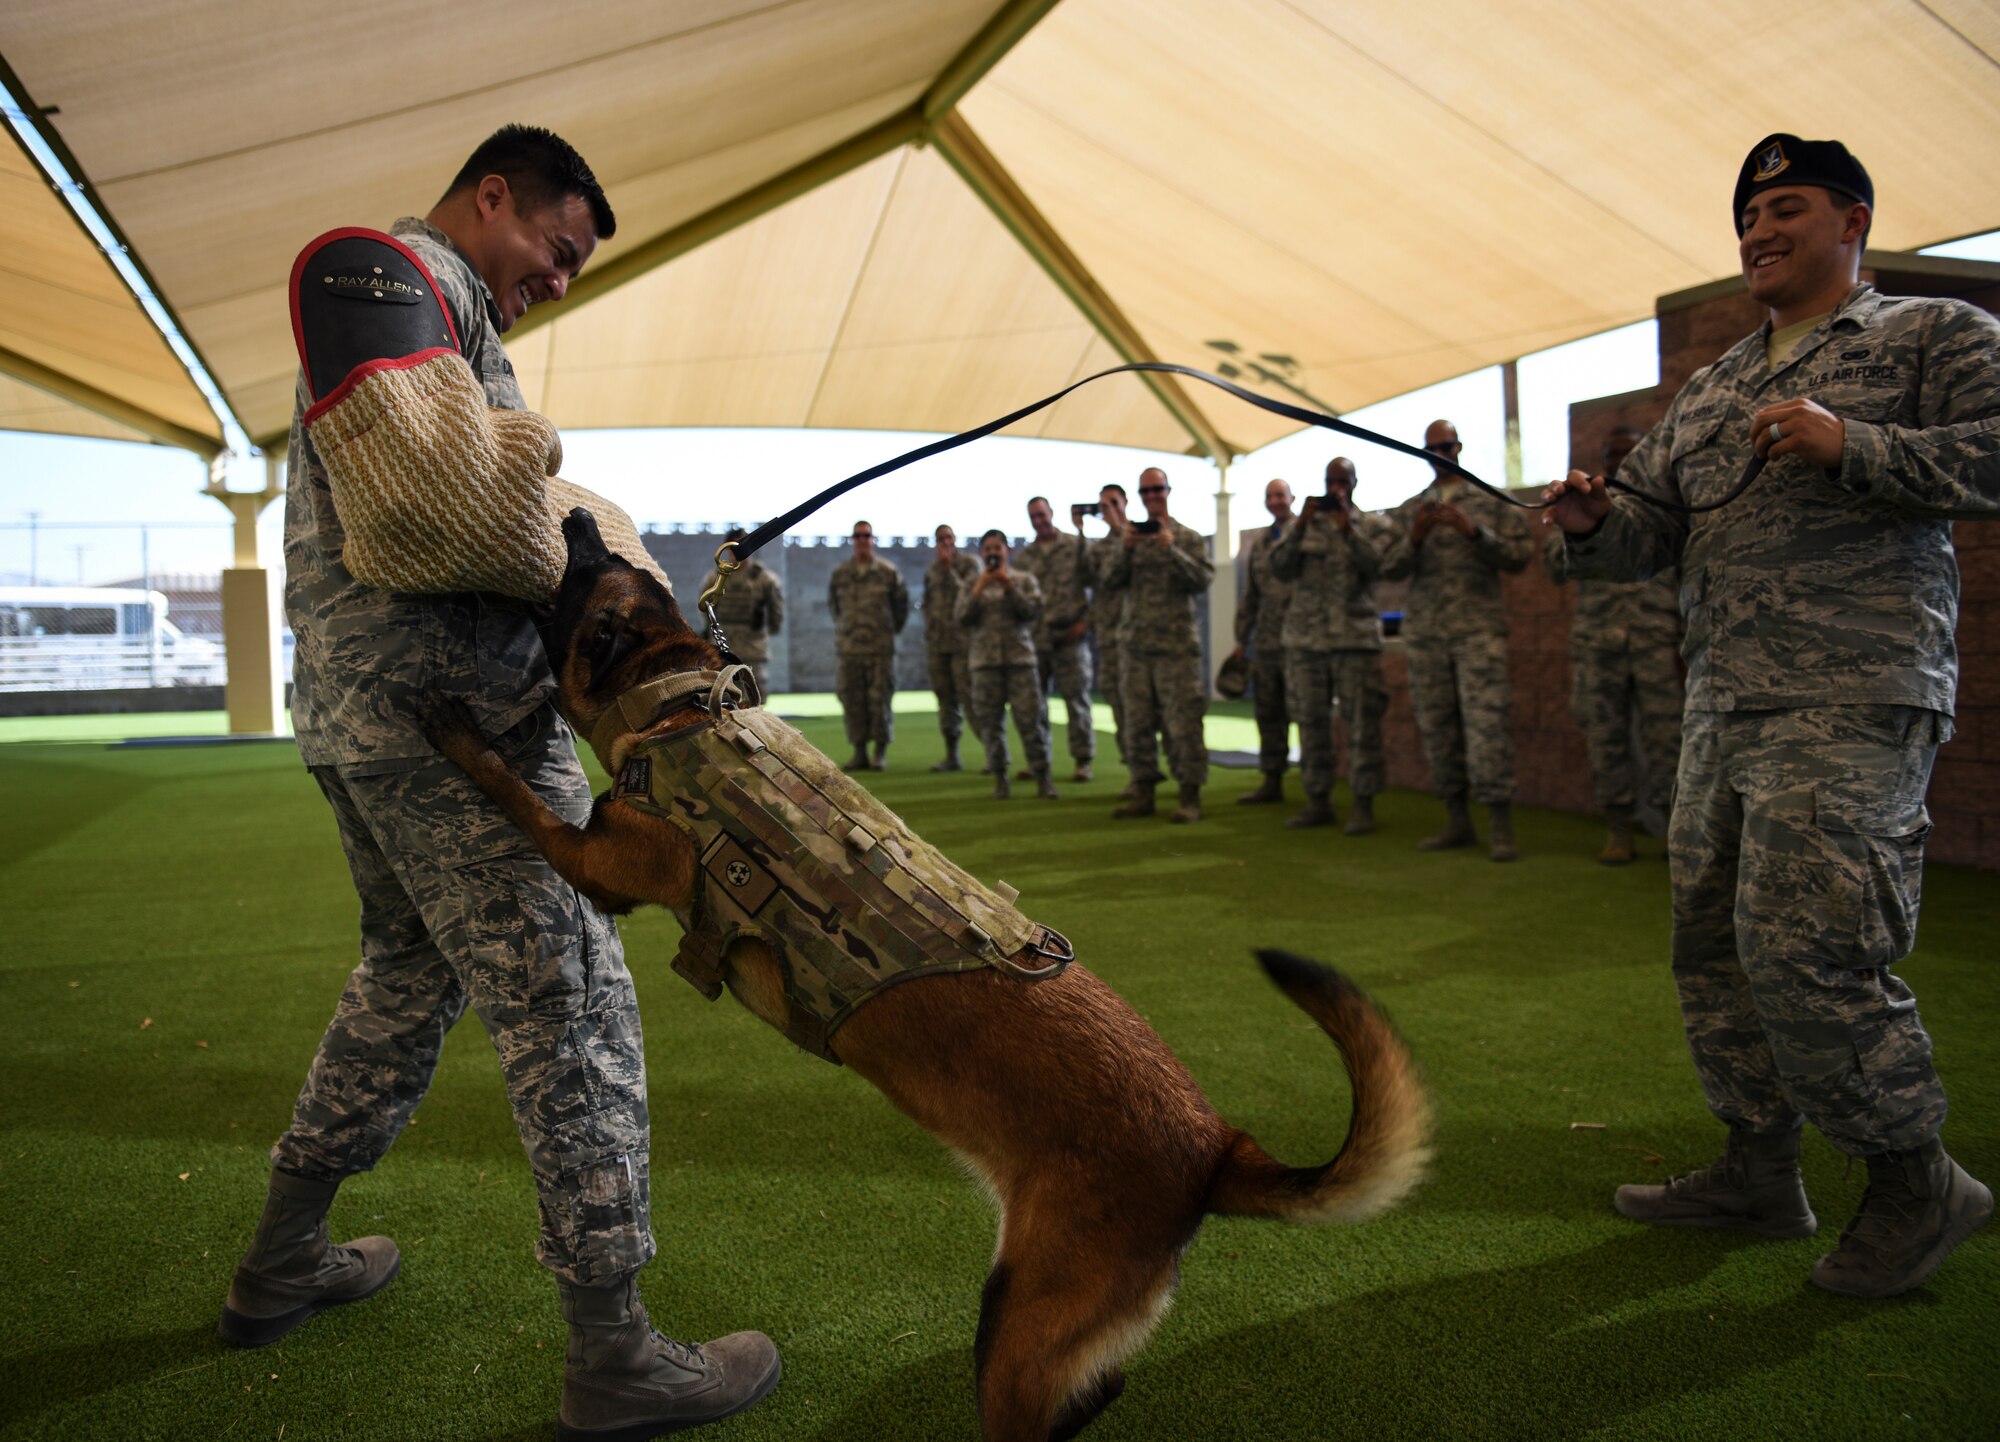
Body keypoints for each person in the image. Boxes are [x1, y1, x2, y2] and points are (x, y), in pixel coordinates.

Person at [241, 124, 779, 1435]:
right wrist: (587, 536)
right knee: (574, 1013)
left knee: (404, 987)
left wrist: (579, 519)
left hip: (377, 727)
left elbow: (485, 496)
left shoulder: (444, 319)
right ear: (495, 196)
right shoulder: (381, 273)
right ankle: (615, 1357)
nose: (566, 271)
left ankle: (281, 1260)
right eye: (559, 241)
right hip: (460, 736)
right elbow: (449, 515)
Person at [1544, 132, 1998, 1298]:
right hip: (1723, 703)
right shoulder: (1711, 386)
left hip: (1853, 692)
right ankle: (1757, 1168)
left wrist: (1855, 443)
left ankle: (1915, 1185)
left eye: (1786, 208)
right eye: (1748, 215)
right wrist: (1596, 522)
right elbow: (1649, 532)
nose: (1758, 230)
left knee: (1814, 948)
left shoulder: (1931, 335)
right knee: (1714, 948)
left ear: (1851, 220)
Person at [1380, 420, 1531, 860]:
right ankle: (1457, 821)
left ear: (1459, 447)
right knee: (1438, 728)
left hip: (1477, 634)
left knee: (1486, 728)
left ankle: (1500, 825)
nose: (1440, 455)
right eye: (1432, 449)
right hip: (1428, 635)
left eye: (1446, 446)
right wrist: (1415, 537)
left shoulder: (1490, 501)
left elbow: (1520, 556)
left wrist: (1473, 531)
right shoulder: (1412, 508)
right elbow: (1387, 568)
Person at [1540, 427, 1682, 863]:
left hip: (1654, 641)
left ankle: (1670, 832)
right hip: (1598, 644)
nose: (1622, 460)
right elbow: (1553, 563)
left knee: (1666, 739)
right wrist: (1586, 527)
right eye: (1613, 453)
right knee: (1606, 737)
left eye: (1629, 452)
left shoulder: (1660, 508)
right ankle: (1619, 829)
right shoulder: (1587, 505)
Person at [1269, 458, 1391, 832]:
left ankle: (1363, 804)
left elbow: (1381, 566)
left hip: (1353, 640)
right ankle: (1317, 800)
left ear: (1355, 483)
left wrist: (1348, 529)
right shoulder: (1303, 527)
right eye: (1330, 482)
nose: (1336, 488)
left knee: (1361, 725)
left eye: (1343, 482)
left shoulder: (1373, 525)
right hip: (1307, 641)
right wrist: (1301, 523)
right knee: (1310, 723)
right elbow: (1279, 567)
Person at [1098, 468, 1215, 822]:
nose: (1151, 496)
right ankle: (1143, 792)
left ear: (1168, 490)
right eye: (1145, 491)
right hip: (1135, 647)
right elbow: (1107, 580)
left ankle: (1189, 796)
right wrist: (1126, 549)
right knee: (1137, 724)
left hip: (1176, 648)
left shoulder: (1187, 537)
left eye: (1156, 489)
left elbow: (1203, 579)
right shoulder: (1128, 539)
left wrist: (1172, 550)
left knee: (1183, 724)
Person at [957, 529, 1057, 798]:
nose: (992, 553)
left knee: (1031, 721)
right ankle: (1001, 778)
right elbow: (961, 618)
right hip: (984, 665)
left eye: (997, 548)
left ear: (1007, 550)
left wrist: (1008, 586)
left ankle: (1043, 778)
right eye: (987, 549)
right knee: (990, 725)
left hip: (1020, 662)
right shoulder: (971, 584)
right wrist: (978, 590)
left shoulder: (1024, 581)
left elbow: (1032, 612)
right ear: (981, 553)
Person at [1229, 479, 1299, 807]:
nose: (1275, 501)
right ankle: (1272, 781)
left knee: (1307, 714)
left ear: (1292, 498)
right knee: (1268, 713)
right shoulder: (1259, 543)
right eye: (1270, 496)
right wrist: (1242, 639)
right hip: (1268, 643)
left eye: (1280, 495)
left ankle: (1315, 788)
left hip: (1302, 642)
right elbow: (1251, 596)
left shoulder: (1305, 533)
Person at [1020, 496, 1097, 782]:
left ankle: (1083, 761)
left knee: (1077, 702)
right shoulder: (1026, 557)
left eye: (1042, 515)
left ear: (1051, 513)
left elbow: (1098, 581)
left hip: (1071, 638)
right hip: (1037, 639)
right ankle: (1039, 761)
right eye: (1033, 517)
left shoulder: (1075, 546)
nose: (1039, 521)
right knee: (1035, 704)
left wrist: (1085, 623)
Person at [828, 519, 910, 772]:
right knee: (852, 699)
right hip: (850, 649)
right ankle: (859, 751)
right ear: (853, 541)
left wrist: (884, 632)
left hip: (880, 649)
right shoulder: (841, 574)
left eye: (867, 536)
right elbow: (835, 608)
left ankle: (880, 753)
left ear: (872, 539)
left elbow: (901, 608)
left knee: (879, 699)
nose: (862, 540)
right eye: (858, 536)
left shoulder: (888, 572)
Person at [920, 524, 981, 772]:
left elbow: (970, 598)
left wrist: (949, 571)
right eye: (940, 539)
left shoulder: (969, 565)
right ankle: (952, 755)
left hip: (963, 645)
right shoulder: (931, 571)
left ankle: (994, 754)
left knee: (971, 699)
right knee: (946, 701)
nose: (945, 543)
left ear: (955, 540)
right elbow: (926, 603)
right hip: (938, 645)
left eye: (948, 538)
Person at [699, 526, 784, 698]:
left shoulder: (764, 579)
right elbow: (706, 608)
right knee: (722, 696)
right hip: (723, 646)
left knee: (754, 697)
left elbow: (776, 610)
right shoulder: (716, 577)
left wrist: (770, 628)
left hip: (753, 647)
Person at [1085, 483, 1134, 780]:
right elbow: (1096, 578)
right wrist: (1080, 531)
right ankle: (1136, 775)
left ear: (1126, 502)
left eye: (1114, 502)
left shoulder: (1144, 534)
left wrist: (1124, 530)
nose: (1110, 510)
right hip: (1112, 639)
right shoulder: (1099, 548)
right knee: (1121, 708)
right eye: (1104, 505)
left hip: (1145, 636)